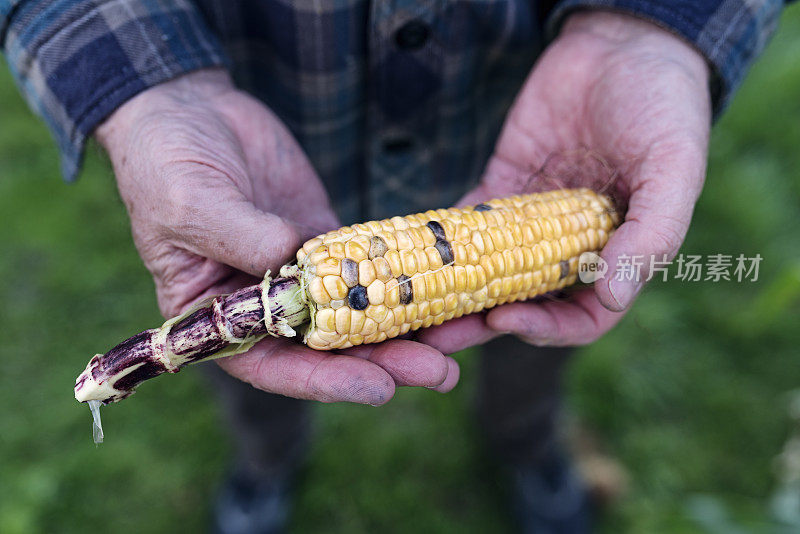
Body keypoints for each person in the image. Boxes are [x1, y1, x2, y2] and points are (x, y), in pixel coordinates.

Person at [1, 1, 787, 532]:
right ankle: (265, 466)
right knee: (252, 337)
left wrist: (652, 29)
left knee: (528, 334)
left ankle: (527, 447)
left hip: (525, 125)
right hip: (258, 129)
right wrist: (147, 92)